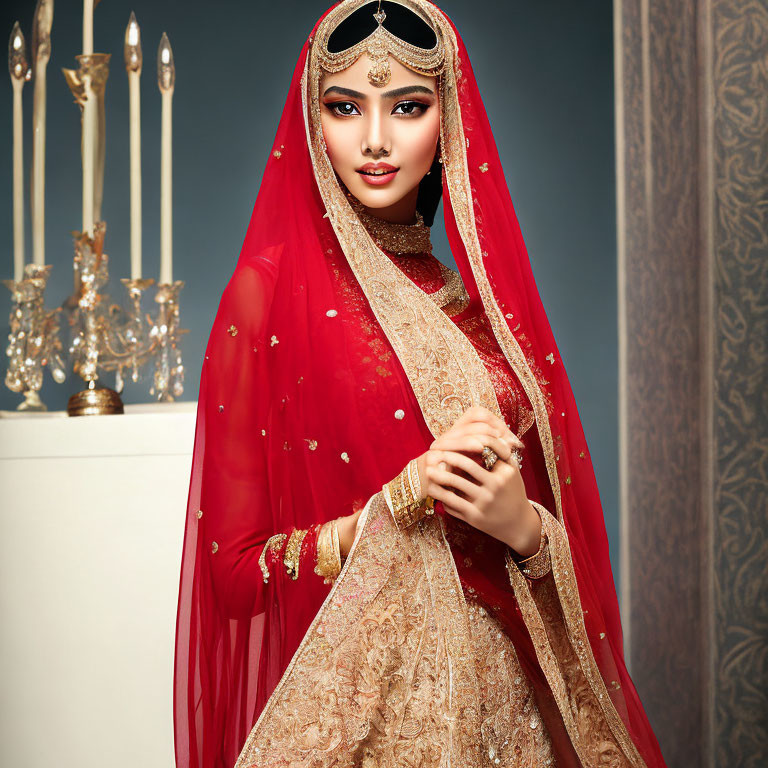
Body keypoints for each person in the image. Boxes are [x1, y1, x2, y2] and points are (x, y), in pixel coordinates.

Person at [173, 1, 669, 766]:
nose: (375, 140)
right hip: (366, 722)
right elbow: (235, 578)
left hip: (508, 717)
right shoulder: (266, 298)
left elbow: (541, 530)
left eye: (407, 107)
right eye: (345, 107)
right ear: (313, 123)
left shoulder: (476, 313)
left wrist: (527, 531)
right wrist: (396, 504)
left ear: (449, 124)